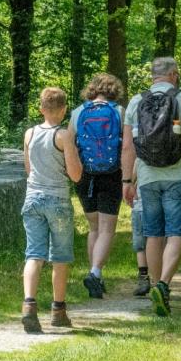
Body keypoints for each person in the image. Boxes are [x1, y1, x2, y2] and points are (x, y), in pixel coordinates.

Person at [121, 57, 181, 317]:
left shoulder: (135, 102)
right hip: (179, 174)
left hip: (148, 177)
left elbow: (128, 146)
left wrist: (127, 181)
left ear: (153, 75)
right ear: (174, 74)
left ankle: (155, 285)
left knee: (153, 233)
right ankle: (164, 285)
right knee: (176, 232)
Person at [21, 87, 83, 334]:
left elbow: (28, 169)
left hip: (32, 199)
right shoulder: (64, 135)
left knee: (34, 254)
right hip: (56, 200)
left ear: (41, 109)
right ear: (64, 109)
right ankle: (58, 311)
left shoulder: (29, 133)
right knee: (60, 257)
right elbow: (76, 175)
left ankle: (28, 307)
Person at [68, 73, 125, 299]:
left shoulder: (78, 112)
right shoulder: (119, 112)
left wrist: (74, 173)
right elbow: (128, 145)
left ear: (91, 90)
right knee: (107, 229)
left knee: (94, 228)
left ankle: (95, 277)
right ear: (114, 90)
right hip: (112, 173)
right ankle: (95, 272)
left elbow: (70, 145)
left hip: (85, 175)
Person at [131, 160, 150, 296]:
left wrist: (129, 183)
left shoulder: (141, 149)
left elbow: (132, 175)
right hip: (157, 205)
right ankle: (159, 279)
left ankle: (143, 278)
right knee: (157, 241)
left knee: (140, 244)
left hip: (140, 205)